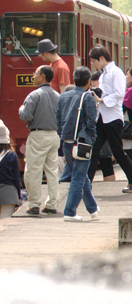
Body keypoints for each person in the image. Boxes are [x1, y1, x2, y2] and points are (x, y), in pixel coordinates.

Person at [56, 65, 100, 222]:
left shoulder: (63, 96)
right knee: (79, 177)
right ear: (89, 81)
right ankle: (69, 211)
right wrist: (92, 138)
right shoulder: (87, 97)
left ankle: (93, 209)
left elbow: (58, 120)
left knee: (81, 176)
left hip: (66, 141)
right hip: (82, 142)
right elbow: (91, 121)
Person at [87, 45, 132, 192]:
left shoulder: (115, 72)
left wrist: (101, 100)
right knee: (94, 150)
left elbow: (119, 94)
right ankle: (86, 184)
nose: (93, 64)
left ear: (101, 58)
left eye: (94, 61)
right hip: (103, 116)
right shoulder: (104, 74)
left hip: (113, 117)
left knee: (118, 152)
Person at [18, 64, 60, 216]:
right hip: (54, 135)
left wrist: (20, 108)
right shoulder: (57, 95)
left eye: (35, 73)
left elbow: (26, 116)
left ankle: (34, 204)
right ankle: (52, 204)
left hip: (38, 135)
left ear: (43, 76)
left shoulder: (34, 95)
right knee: (52, 171)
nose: (33, 76)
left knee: (33, 171)